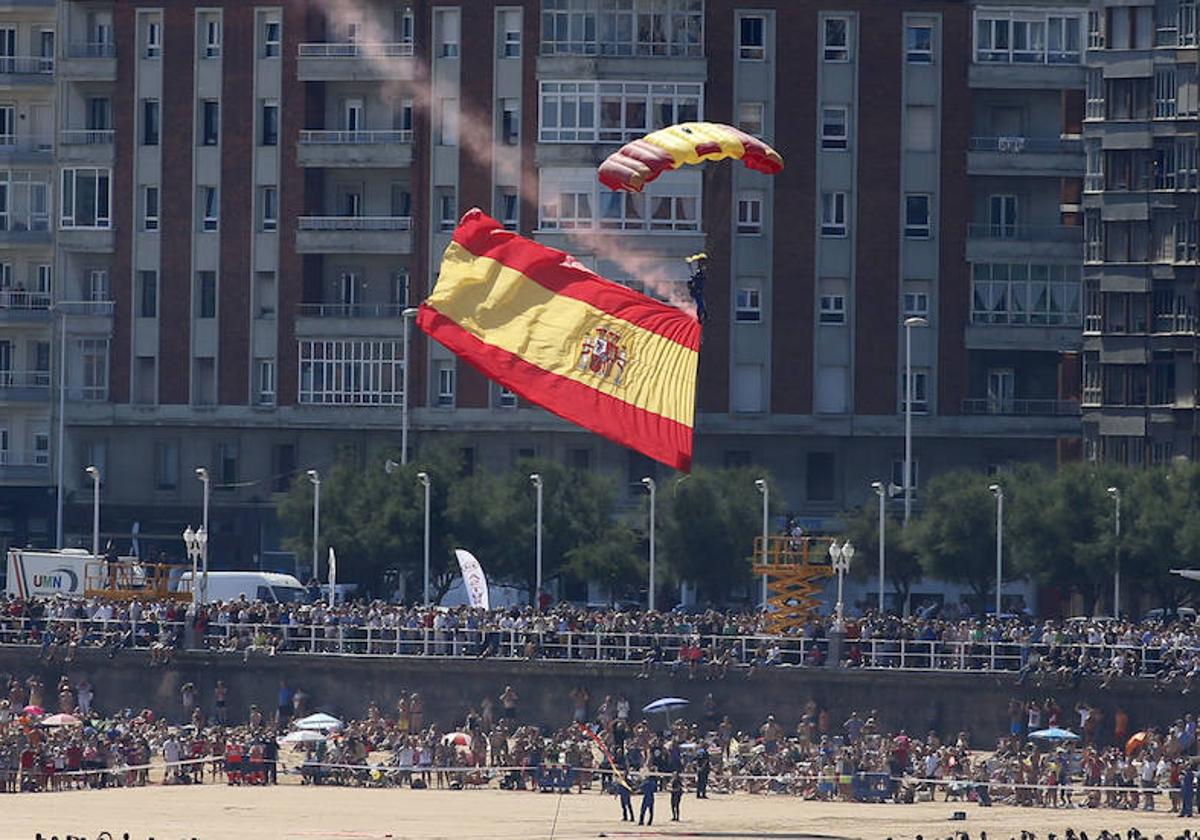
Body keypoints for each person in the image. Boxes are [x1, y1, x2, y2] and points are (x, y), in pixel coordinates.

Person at [685, 253, 709, 324]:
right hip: (697, 291)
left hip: (698, 290)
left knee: (701, 304)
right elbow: (697, 280)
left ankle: (704, 316)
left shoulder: (700, 272)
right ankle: (702, 317)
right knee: (700, 304)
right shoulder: (699, 274)